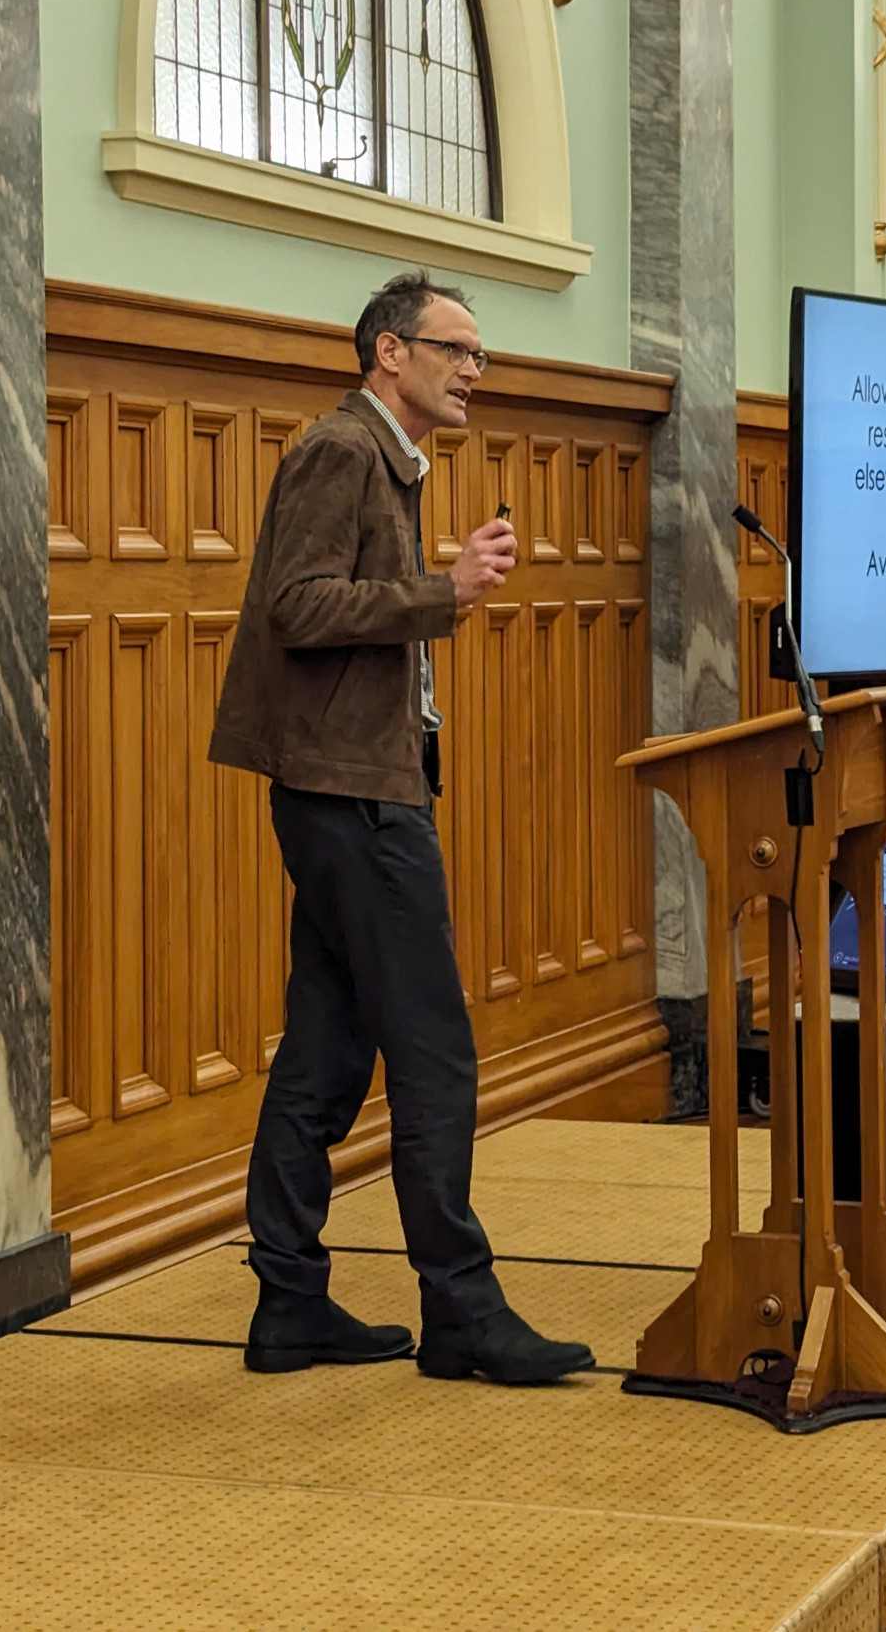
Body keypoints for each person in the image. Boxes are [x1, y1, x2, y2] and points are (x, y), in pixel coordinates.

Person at [209, 271, 595, 1387]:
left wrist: (437, 588)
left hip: (355, 785)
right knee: (433, 1051)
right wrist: (444, 589)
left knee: (327, 1051)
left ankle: (289, 1304)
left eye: (480, 354)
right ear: (390, 352)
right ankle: (461, 1310)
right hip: (353, 797)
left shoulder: (385, 457)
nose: (474, 369)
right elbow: (296, 605)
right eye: (455, 349)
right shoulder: (341, 450)